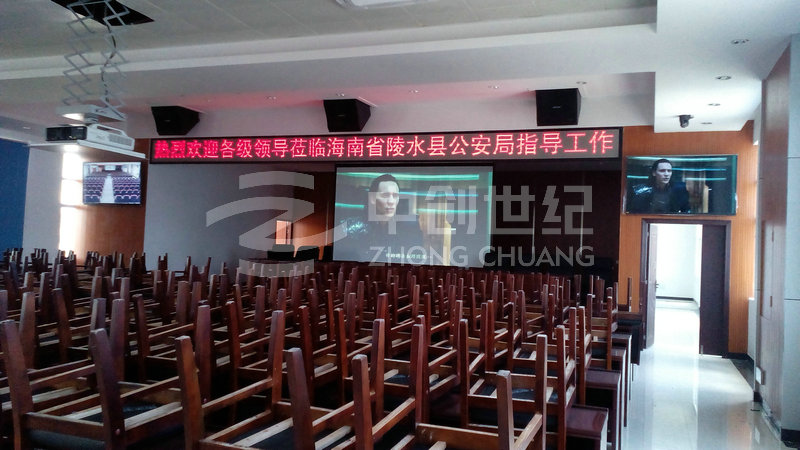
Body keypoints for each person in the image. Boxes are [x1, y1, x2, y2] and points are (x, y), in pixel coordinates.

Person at [339, 174, 425, 263]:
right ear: (372, 198)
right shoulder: (351, 228)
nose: (391, 201)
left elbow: (416, 259)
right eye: (385, 195)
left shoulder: (410, 228)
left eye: (395, 196)